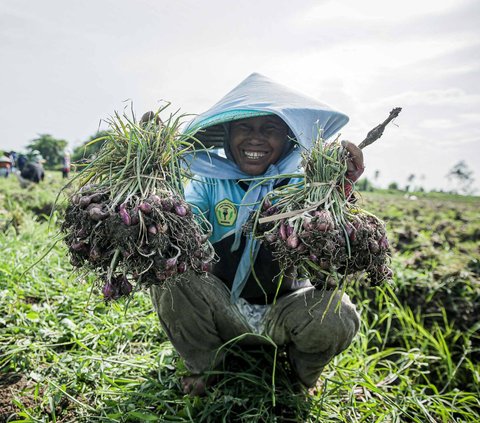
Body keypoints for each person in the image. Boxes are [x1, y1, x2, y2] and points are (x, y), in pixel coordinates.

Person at [149, 73, 364, 396]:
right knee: (171, 279)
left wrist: (340, 186)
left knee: (338, 313)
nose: (255, 139)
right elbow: (181, 225)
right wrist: (156, 176)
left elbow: (330, 231)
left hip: (286, 309)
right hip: (222, 307)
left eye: (270, 129)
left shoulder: (303, 183)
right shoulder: (210, 182)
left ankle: (302, 377)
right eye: (244, 128)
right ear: (226, 134)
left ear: (289, 137)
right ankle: (205, 367)